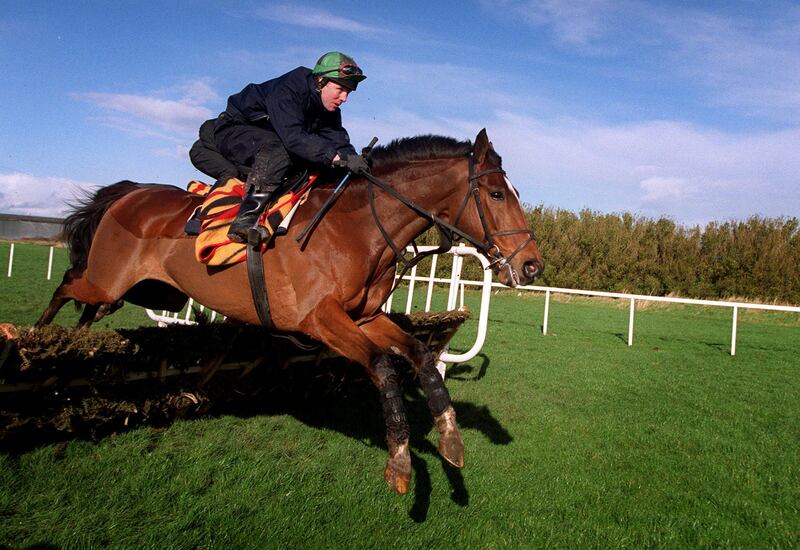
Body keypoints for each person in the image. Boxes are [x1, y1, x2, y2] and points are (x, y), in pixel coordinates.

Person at [189, 51, 370, 243]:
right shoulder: (290, 88)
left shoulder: (329, 110)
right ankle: (245, 220)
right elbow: (293, 137)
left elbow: (338, 141)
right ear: (320, 81)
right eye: (340, 90)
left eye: (348, 92)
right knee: (281, 150)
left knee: (317, 162)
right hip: (231, 131)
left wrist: (354, 159)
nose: (344, 98)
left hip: (263, 142)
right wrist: (335, 157)